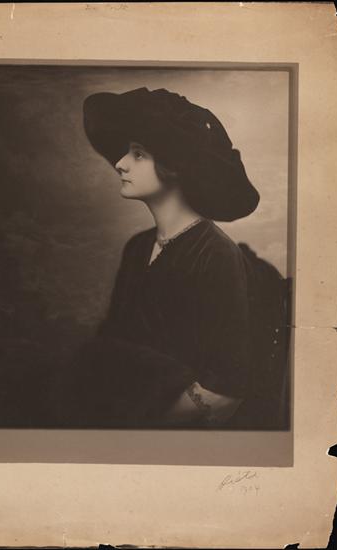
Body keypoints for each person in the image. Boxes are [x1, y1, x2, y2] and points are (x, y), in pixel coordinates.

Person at [69, 87, 285, 429]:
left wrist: (139, 427)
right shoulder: (137, 247)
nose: (120, 163)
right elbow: (111, 345)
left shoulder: (216, 255)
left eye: (138, 154)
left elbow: (225, 390)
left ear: (174, 166)